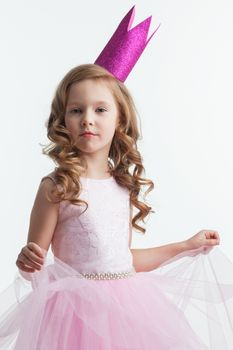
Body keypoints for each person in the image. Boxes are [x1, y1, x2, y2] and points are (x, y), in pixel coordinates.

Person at [1, 5, 233, 350]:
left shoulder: (121, 184)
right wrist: (26, 261)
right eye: (76, 110)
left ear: (119, 120)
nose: (88, 119)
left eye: (100, 109)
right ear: (63, 120)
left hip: (128, 311)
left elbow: (123, 261)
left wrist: (186, 245)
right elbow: (35, 266)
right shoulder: (57, 186)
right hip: (72, 318)